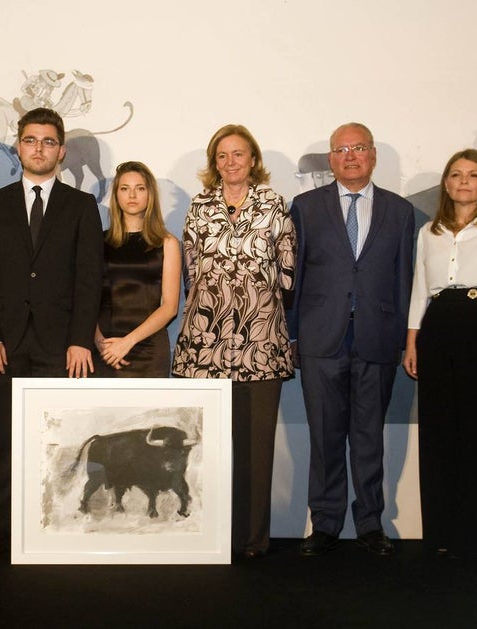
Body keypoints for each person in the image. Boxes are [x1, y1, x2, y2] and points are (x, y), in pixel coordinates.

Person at [0, 107, 103, 556]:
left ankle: (57, 528)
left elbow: (89, 280)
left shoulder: (82, 206)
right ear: (18, 147)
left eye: (48, 141)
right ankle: (1, 530)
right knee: (7, 442)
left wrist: (81, 339)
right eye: (30, 140)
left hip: (62, 347)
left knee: (60, 443)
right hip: (3, 345)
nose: (39, 148)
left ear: (61, 151)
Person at [288, 122, 415, 557]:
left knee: (368, 438)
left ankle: (370, 524)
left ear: (373, 154)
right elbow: (294, 277)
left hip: (377, 339)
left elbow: (405, 280)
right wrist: (291, 336)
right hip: (321, 338)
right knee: (324, 437)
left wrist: (401, 339)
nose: (350, 156)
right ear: (331, 160)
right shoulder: (305, 208)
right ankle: (323, 523)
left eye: (358, 148)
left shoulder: (400, 211)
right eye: (341, 150)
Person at [172, 124, 295, 559]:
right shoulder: (199, 205)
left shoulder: (274, 204)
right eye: (222, 155)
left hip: (262, 344)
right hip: (204, 346)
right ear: (213, 162)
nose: (231, 162)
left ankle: (253, 540)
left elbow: (288, 273)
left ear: (253, 159)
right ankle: (213, 537)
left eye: (238, 154)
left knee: (257, 449)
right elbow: (191, 272)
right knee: (210, 449)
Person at [402, 149, 477, 560]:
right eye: (456, 174)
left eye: (473, 175)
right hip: (438, 328)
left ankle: (476, 537)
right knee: (438, 433)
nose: (464, 181)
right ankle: (439, 533)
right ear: (446, 183)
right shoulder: (429, 232)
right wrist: (412, 341)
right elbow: (421, 288)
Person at [94, 161, 180, 377]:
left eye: (140, 188)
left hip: (149, 351)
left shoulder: (167, 243)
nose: (132, 195)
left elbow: (170, 307)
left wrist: (128, 342)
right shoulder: (96, 242)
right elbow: (85, 298)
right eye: (125, 188)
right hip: (104, 348)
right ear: (116, 195)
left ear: (150, 194)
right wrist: (99, 341)